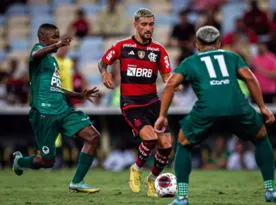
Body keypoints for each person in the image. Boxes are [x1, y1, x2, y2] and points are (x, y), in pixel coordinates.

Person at [154, 26, 276, 205]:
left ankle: (182, 198)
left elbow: (170, 85)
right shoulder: (232, 57)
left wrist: (162, 115)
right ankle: (270, 190)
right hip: (238, 107)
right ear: (219, 43)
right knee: (261, 136)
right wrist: (263, 108)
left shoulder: (190, 61)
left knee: (183, 142)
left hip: (207, 109)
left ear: (197, 45)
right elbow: (250, 78)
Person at [98, 8, 182, 197]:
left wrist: (173, 83)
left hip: (153, 102)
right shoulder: (123, 46)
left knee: (167, 146)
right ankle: (136, 169)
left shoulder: (159, 50)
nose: (148, 28)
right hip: (131, 103)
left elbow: (167, 75)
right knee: (150, 138)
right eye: (144, 24)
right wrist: (105, 73)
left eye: (151, 24)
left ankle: (151, 180)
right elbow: (103, 62)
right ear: (135, 25)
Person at [12, 23, 100, 193]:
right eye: (54, 37)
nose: (57, 40)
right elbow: (36, 54)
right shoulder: (37, 50)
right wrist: (57, 45)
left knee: (93, 136)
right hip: (44, 113)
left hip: (62, 109)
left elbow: (56, 87)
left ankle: (77, 182)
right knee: (47, 162)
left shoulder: (52, 61)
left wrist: (78, 95)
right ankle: (20, 162)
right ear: (43, 38)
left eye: (58, 37)